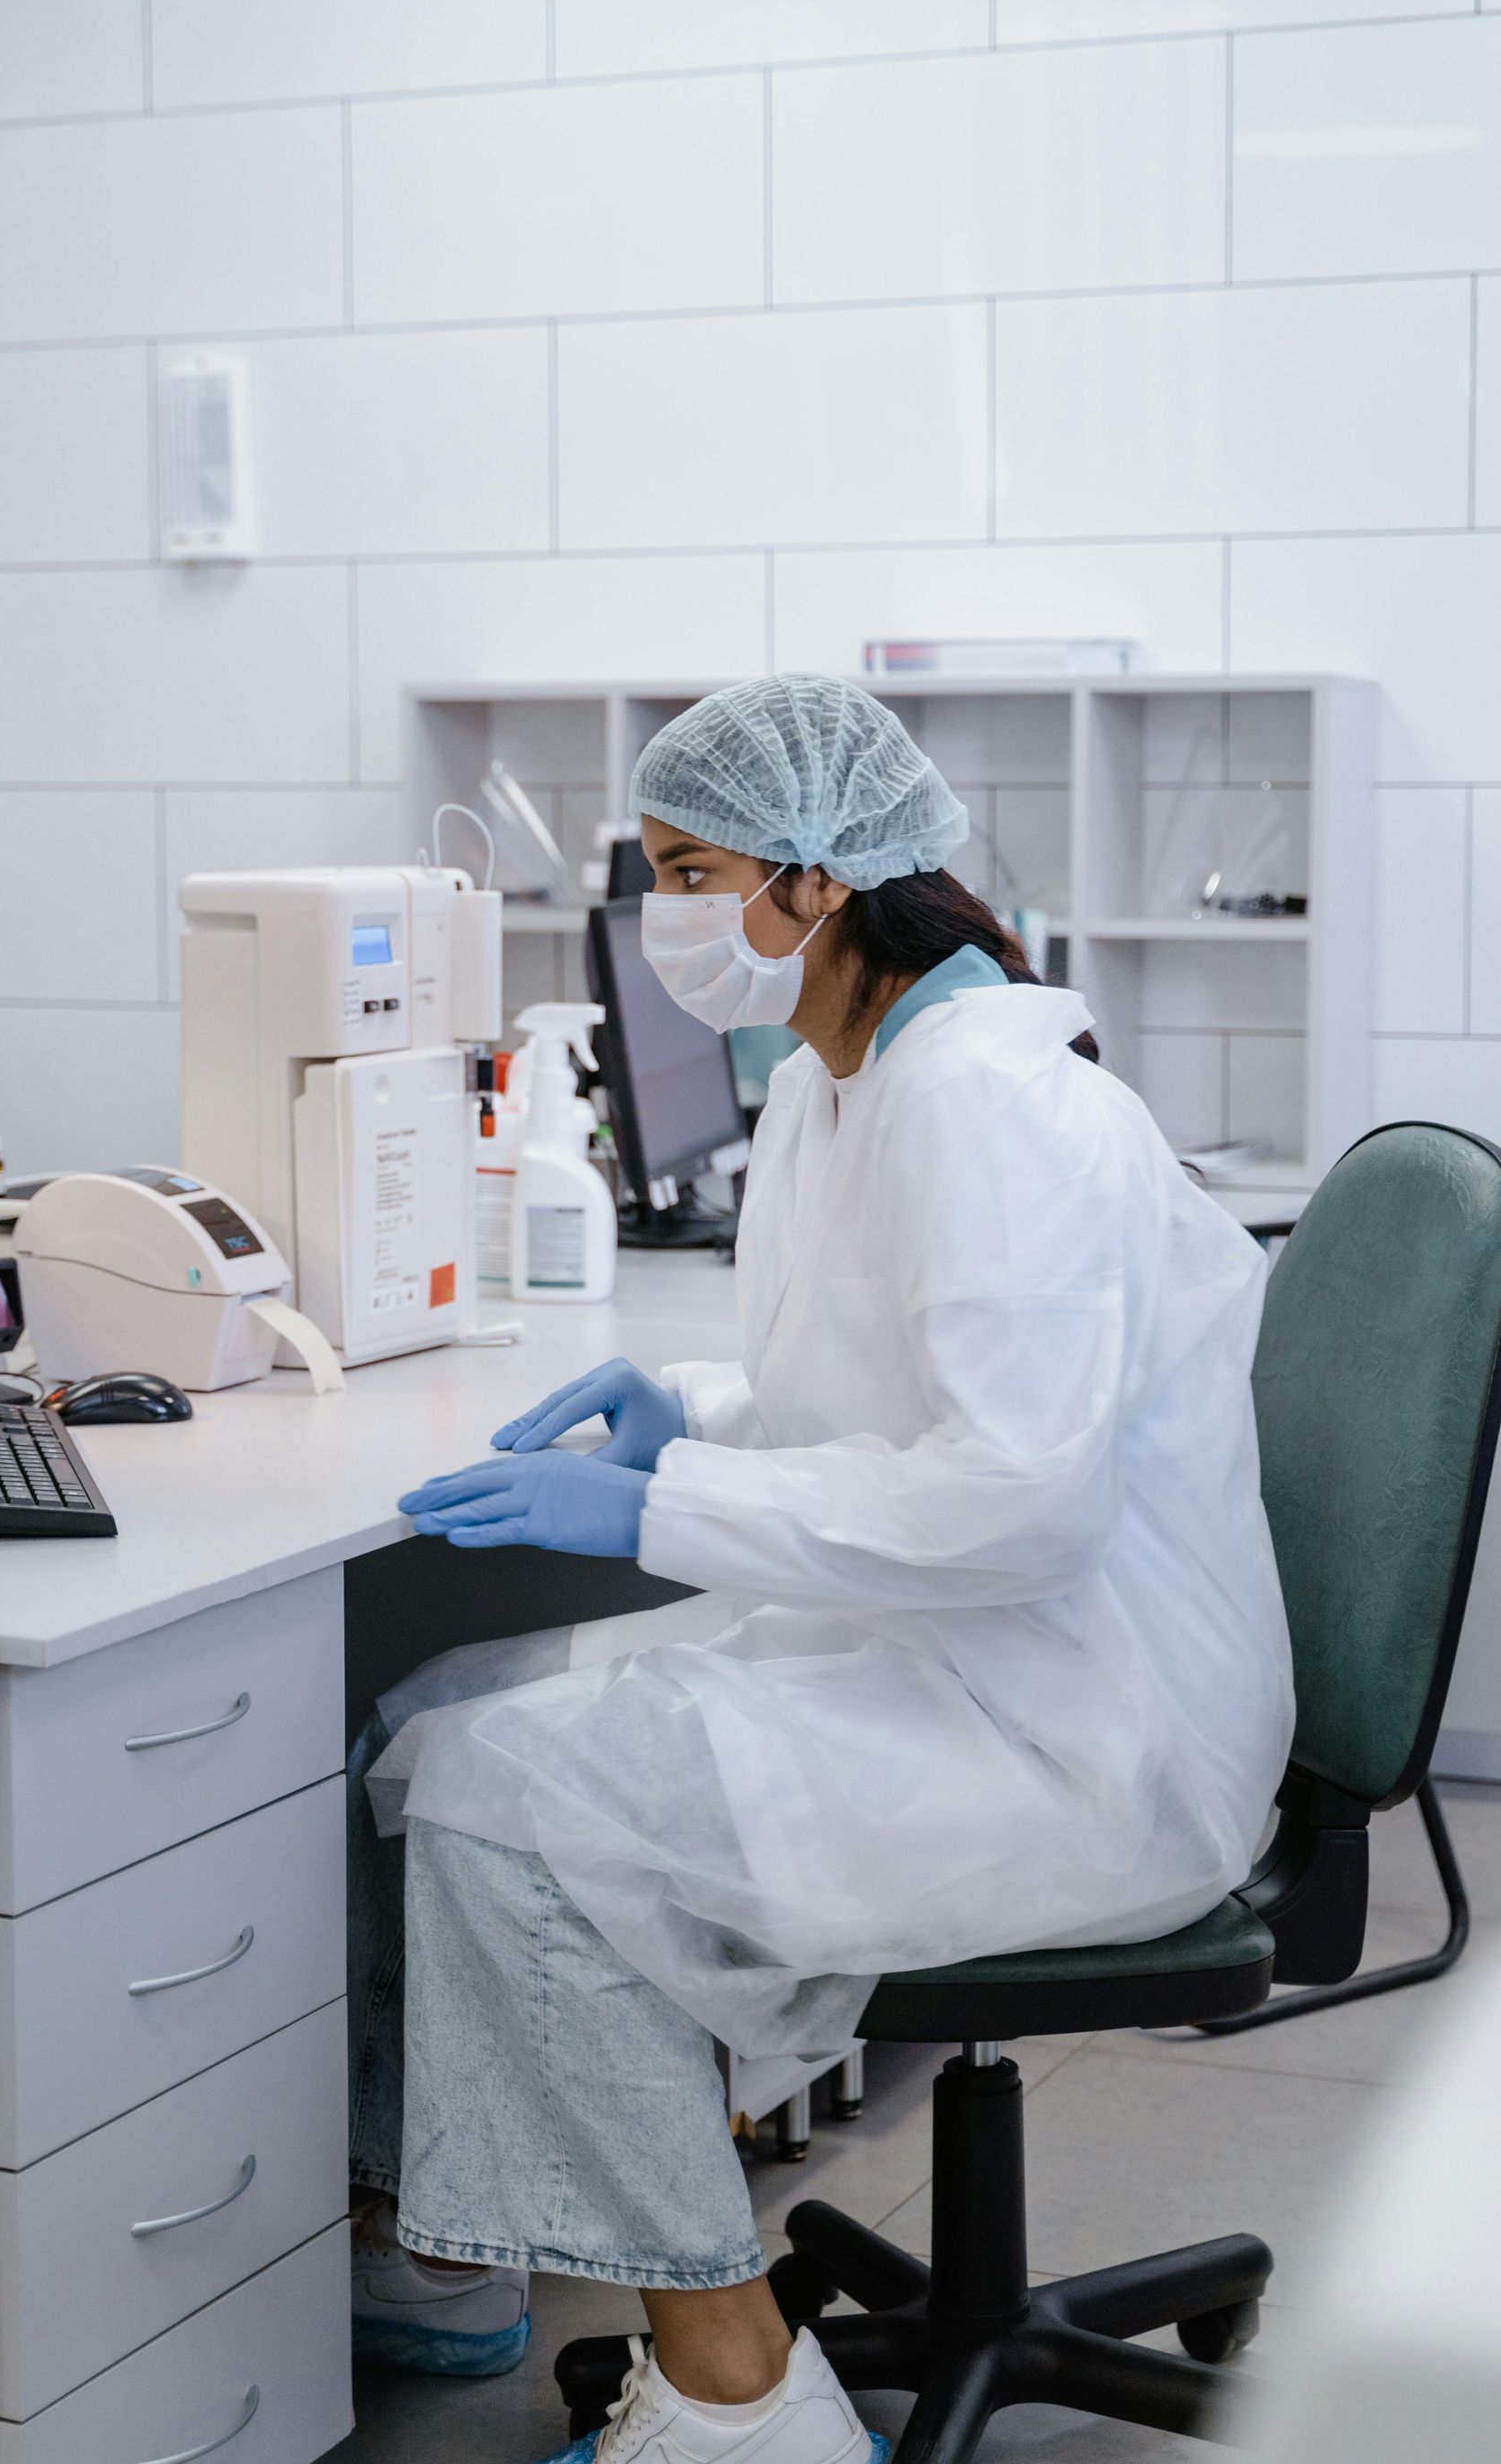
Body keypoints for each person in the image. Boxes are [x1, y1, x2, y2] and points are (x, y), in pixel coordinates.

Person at [348, 674, 1293, 2464]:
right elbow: (876, 1396)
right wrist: (686, 1411)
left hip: (1087, 1736)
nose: (668, 918)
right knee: (427, 1723)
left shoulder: (990, 1107)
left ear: (818, 881)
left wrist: (657, 1511)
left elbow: (1018, 1504)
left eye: (693, 871)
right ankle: (444, 2256)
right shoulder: (850, 1083)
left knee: (495, 1798)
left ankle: (733, 2385)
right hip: (970, 1667)